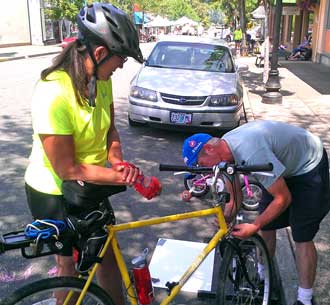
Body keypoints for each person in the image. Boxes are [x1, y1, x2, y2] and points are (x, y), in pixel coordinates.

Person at [24, 3, 150, 304]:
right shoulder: (53, 93)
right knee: (67, 266)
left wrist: (117, 161)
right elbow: (67, 169)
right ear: (100, 53)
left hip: (90, 184)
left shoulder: (101, 81)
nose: (121, 67)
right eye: (119, 60)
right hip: (52, 191)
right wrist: (125, 177)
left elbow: (110, 131)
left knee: (107, 253)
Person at [182, 120, 330, 305]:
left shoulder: (251, 153)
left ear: (210, 150)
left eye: (199, 163)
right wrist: (226, 219)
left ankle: (305, 299)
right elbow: (235, 198)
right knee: (267, 225)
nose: (202, 169)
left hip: (308, 165)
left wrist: (254, 225)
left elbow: (282, 199)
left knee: (302, 234)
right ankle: (263, 277)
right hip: (281, 165)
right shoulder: (225, 155)